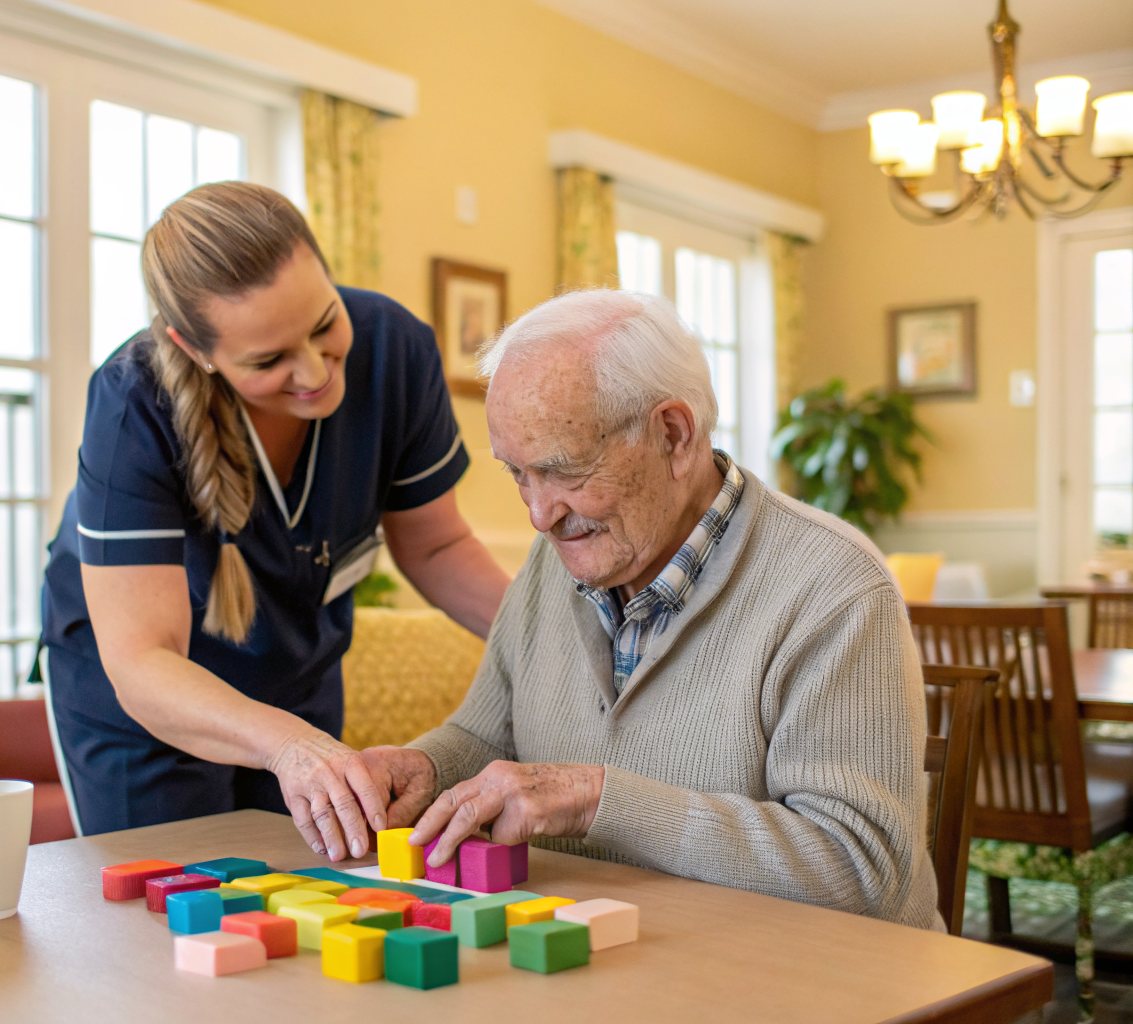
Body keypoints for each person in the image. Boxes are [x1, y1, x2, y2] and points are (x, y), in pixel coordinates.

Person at [361, 289, 942, 929]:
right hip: (596, 959)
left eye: (565, 470)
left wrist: (597, 802)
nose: (539, 513)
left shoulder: (832, 585)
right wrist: (425, 767)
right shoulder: (552, 563)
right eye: (518, 474)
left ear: (673, 435)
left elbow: (864, 874)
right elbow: (484, 736)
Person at [40, 182, 509, 859]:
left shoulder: (395, 349)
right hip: (144, 702)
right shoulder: (131, 404)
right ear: (195, 349)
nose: (315, 371)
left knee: (313, 892)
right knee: (175, 915)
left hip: (292, 671)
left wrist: (556, 637)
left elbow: (435, 548)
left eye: (324, 324)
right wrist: (290, 747)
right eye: (268, 360)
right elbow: (143, 659)